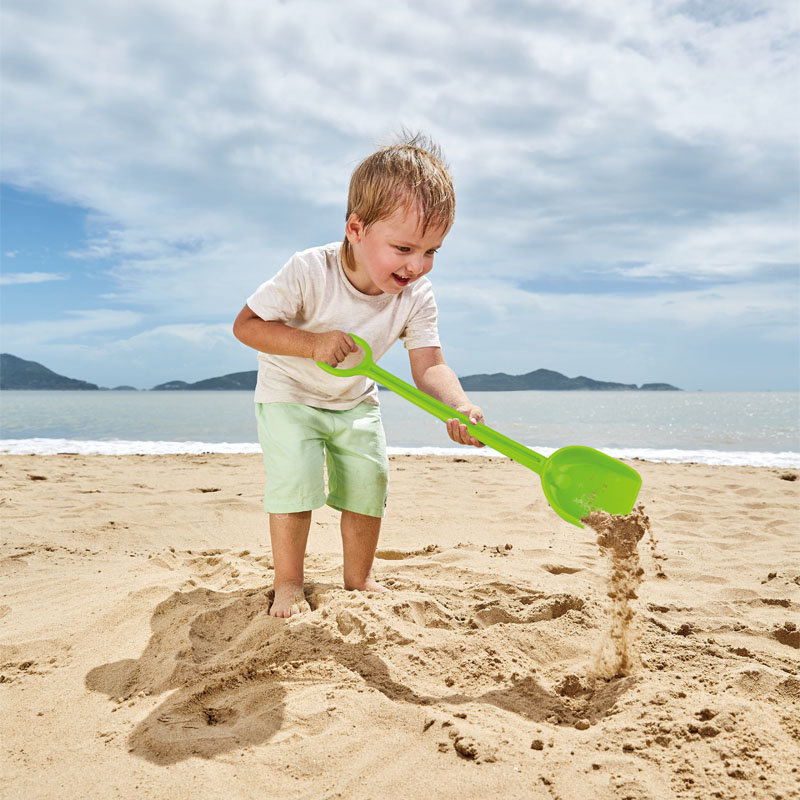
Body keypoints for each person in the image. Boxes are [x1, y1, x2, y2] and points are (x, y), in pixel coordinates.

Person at [233, 132, 484, 618]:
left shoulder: (416, 295)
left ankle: (359, 579)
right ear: (355, 228)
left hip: (354, 398)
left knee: (369, 480)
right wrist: (312, 343)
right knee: (295, 482)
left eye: (432, 251)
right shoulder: (309, 270)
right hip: (290, 394)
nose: (417, 265)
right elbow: (247, 326)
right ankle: (288, 583)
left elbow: (429, 364)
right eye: (404, 248)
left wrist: (457, 405)